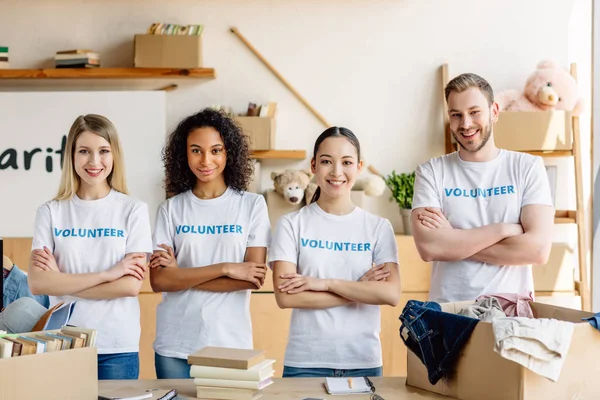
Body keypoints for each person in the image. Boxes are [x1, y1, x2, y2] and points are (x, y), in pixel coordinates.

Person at [269, 126, 400, 378]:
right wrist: (360, 289)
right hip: (305, 363)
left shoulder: (378, 227)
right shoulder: (291, 224)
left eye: (347, 162)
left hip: (364, 362)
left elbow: (391, 293)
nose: (337, 172)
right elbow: (287, 298)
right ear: (314, 166)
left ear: (359, 167)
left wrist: (324, 283)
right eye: (327, 161)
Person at [411, 72, 554, 303]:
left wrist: (453, 240)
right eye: (456, 115)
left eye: (474, 112)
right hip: (449, 317)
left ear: (494, 112)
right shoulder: (431, 172)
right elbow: (429, 247)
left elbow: (537, 251)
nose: (465, 124)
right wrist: (503, 230)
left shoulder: (527, 167)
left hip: (511, 317)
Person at [28, 114, 152, 379]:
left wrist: (61, 281)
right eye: (84, 151)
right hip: (62, 344)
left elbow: (130, 286)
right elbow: (39, 284)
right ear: (71, 155)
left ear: (114, 155)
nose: (94, 162)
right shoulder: (50, 212)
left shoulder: (134, 210)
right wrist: (109, 274)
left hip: (117, 347)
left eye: (103, 151)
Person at [149, 108, 271, 379]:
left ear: (230, 153)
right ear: (184, 154)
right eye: (196, 150)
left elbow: (252, 278)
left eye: (216, 150)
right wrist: (227, 268)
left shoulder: (252, 205)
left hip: (230, 344)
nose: (206, 160)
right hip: (175, 345)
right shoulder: (170, 209)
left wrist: (180, 274)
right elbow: (159, 281)